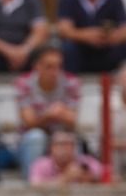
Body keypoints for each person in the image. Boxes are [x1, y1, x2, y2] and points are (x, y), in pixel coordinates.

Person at [15, 43, 79, 175]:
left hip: (60, 135)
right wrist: (48, 115)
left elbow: (73, 121)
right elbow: (29, 122)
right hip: (31, 140)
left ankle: (74, 186)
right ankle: (32, 185)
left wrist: (62, 114)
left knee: (70, 139)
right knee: (36, 137)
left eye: (58, 67)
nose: (54, 72)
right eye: (49, 67)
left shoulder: (71, 82)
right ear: (37, 67)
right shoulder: (23, 83)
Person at [56, 0, 126, 75]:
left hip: (108, 47)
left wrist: (111, 37)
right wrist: (85, 35)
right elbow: (64, 29)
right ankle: (71, 80)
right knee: (68, 48)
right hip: (81, 48)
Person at [29, 126, 101, 184]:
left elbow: (104, 177)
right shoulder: (41, 164)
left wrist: (89, 178)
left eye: (68, 144)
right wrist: (65, 178)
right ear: (51, 147)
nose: (64, 148)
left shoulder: (87, 162)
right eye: (60, 144)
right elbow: (35, 185)